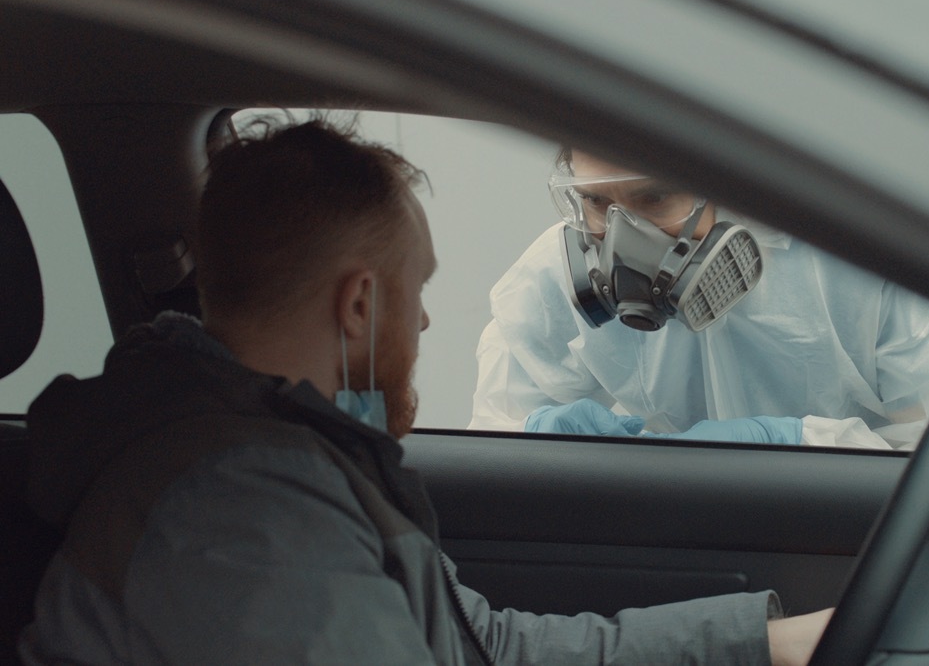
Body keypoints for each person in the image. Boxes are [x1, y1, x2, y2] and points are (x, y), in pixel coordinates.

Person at [18, 117, 830, 664]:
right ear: (361, 304)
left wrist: (771, 642)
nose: (430, 320)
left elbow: (484, 645)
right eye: (419, 290)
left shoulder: (275, 474)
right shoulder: (237, 516)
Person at [470, 149, 929, 453]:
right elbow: (490, 441)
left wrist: (806, 446)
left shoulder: (865, 261)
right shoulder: (553, 272)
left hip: (843, 540)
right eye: (593, 201)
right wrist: (540, 443)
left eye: (654, 197)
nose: (618, 237)